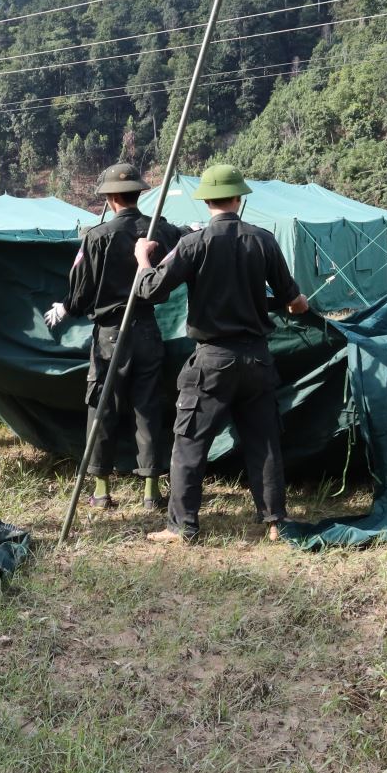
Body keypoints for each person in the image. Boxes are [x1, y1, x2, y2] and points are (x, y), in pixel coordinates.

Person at [133, 163, 308, 543]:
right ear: (239, 198)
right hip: (258, 359)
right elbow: (293, 301)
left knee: (190, 441)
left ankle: (183, 527)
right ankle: (275, 521)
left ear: (205, 201)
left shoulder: (193, 244)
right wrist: (298, 305)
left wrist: (142, 258)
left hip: (211, 361)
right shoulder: (263, 240)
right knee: (264, 442)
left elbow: (149, 291)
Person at [45, 162, 181, 511]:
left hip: (109, 334)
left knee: (101, 407)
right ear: (138, 193)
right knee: (147, 407)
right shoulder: (161, 231)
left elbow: (82, 290)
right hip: (148, 328)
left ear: (109, 197)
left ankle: (102, 490)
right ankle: (152, 491)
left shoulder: (98, 236)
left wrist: (67, 307)